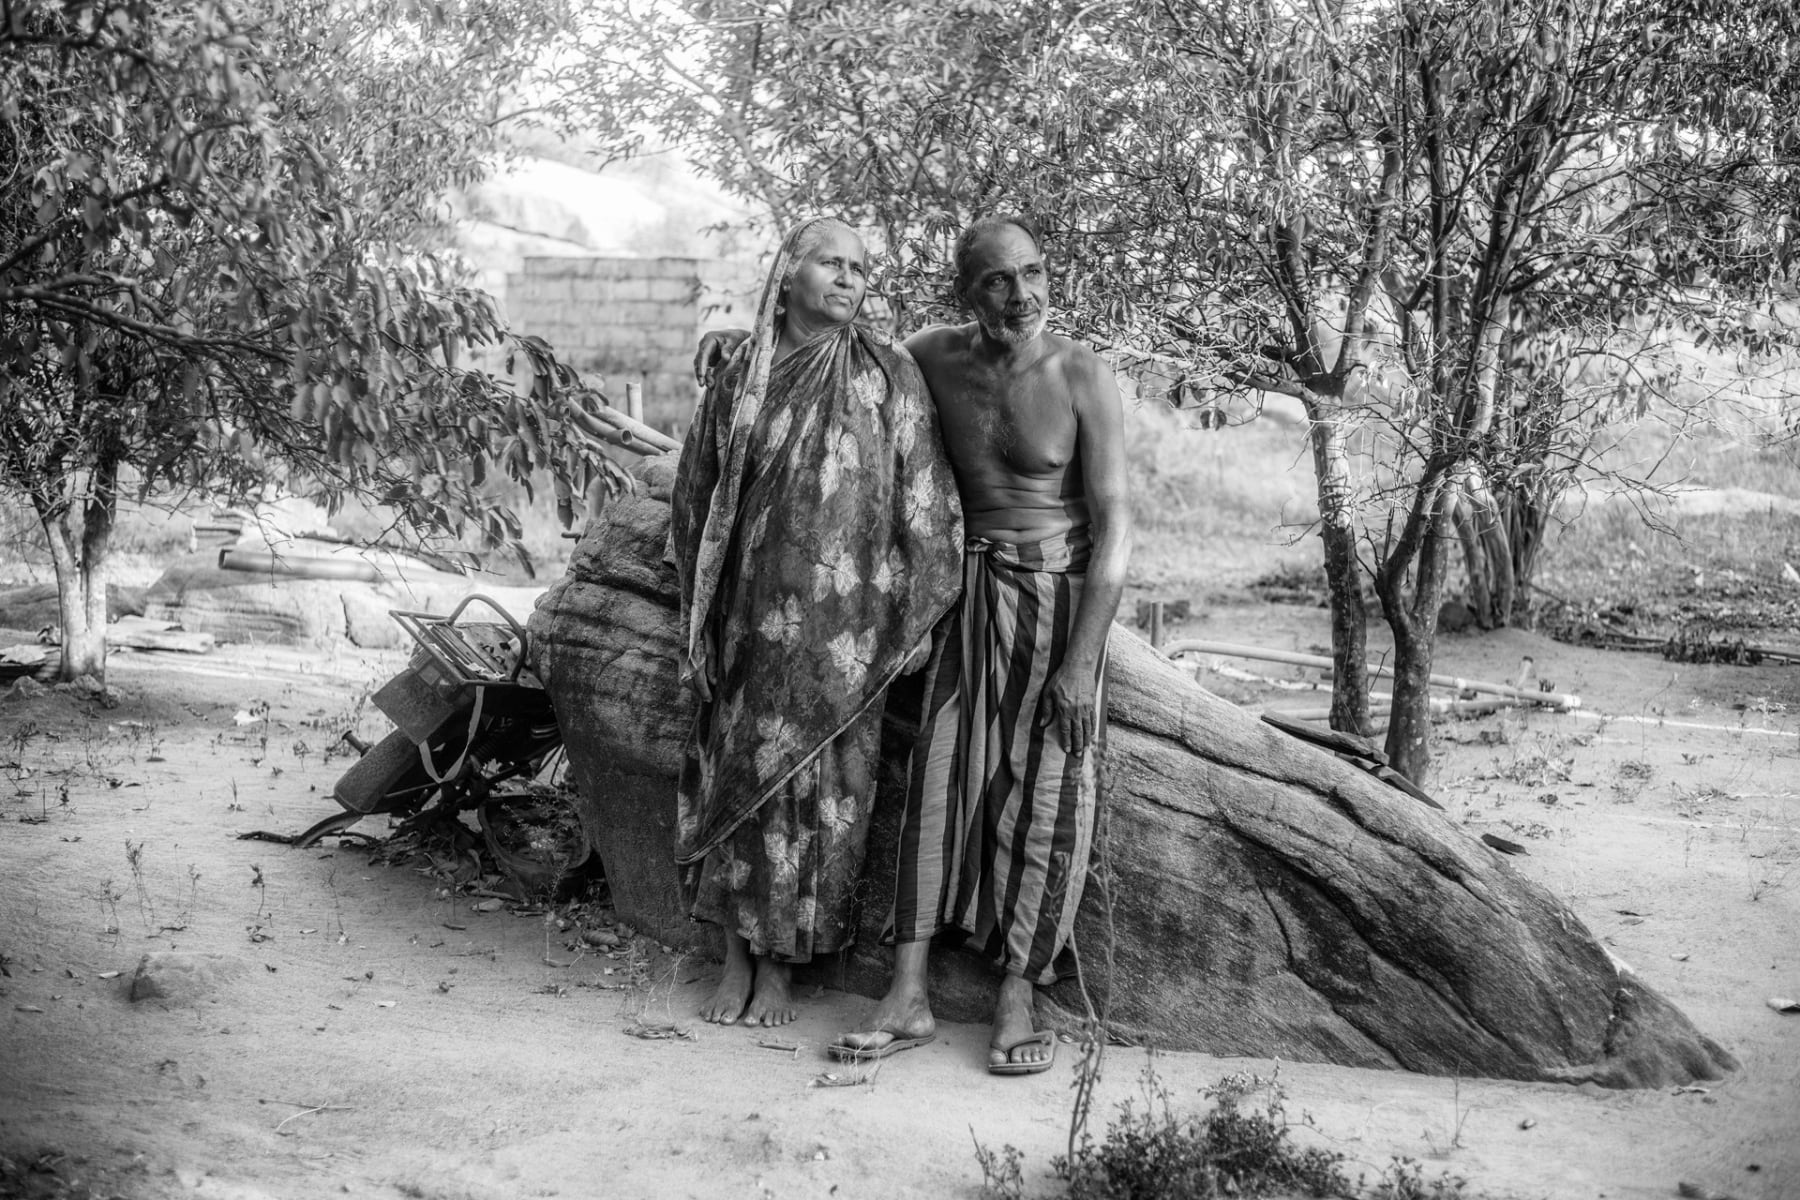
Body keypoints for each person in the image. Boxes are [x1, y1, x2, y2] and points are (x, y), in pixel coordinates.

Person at [695, 214, 1131, 1072]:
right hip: (965, 590)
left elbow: (1116, 522)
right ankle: (907, 994)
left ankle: (1017, 995)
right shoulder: (926, 357)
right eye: (999, 281)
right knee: (935, 786)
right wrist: (727, 341)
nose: (1023, 295)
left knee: (1044, 794)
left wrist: (1082, 662)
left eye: (1035, 273)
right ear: (965, 293)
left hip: (1054, 595)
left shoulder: (1079, 373)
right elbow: (819, 351)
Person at [666, 217, 963, 1029]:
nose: (849, 278)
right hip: (748, 619)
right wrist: (699, 615)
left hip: (847, 632)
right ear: (788, 271)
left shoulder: (888, 373)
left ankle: (782, 973)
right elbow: (699, 491)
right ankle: (734, 958)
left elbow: (926, 498)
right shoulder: (741, 376)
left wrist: (918, 616)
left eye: (861, 269)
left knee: (819, 794)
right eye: (831, 262)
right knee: (735, 772)